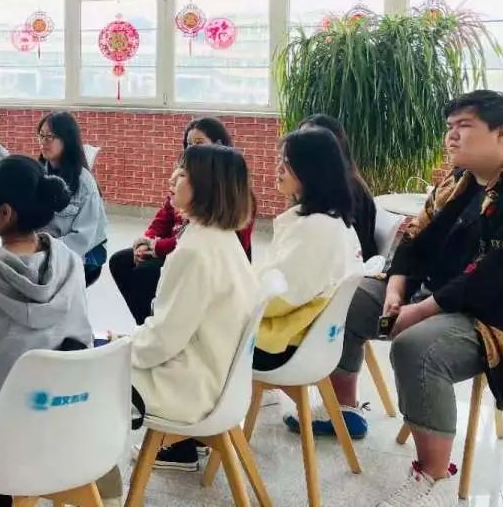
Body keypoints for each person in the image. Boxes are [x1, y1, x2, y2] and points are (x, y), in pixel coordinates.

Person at [295, 91, 503, 507]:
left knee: (417, 347)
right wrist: (396, 287)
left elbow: (493, 274)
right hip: (434, 292)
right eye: (449, 127)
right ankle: (345, 408)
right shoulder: (458, 180)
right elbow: (416, 237)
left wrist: (421, 310)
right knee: (347, 298)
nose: (452, 136)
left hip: (498, 315)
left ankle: (433, 477)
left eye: (464, 126)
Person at [0, 156, 92, 507]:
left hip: (4, 435)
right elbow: (82, 337)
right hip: (67, 418)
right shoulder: (71, 264)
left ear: (4, 213)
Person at [130, 145, 259, 472]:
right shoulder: (223, 239)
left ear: (207, 186)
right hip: (222, 382)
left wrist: (120, 350)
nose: (172, 178)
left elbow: (163, 339)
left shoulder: (195, 252)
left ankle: (87, 482)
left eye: (183, 173)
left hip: (190, 389)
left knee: (87, 378)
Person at [110, 117, 254, 324]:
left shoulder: (222, 199)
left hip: (180, 255)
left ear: (219, 144)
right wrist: (147, 240)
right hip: (173, 249)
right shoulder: (188, 194)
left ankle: (153, 322)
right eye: (188, 144)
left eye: (198, 143)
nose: (172, 180)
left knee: (146, 272)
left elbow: (189, 243)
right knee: (122, 261)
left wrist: (156, 247)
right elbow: (163, 218)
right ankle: (147, 322)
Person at [254, 127, 363, 374]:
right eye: (280, 160)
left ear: (312, 169)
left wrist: (235, 298)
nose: (278, 169)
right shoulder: (330, 218)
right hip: (300, 338)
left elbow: (277, 298)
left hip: (280, 346)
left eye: (287, 162)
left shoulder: (316, 229)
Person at [37, 111, 108, 285]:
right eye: (41, 135)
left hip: (81, 256)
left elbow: (82, 239)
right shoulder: (38, 173)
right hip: (44, 248)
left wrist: (42, 249)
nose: (43, 142)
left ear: (67, 140)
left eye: (50, 137)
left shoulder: (84, 183)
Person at [298, 113, 378, 260]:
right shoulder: (323, 185)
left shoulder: (347, 190)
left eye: (307, 140)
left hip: (350, 266)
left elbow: (337, 250)